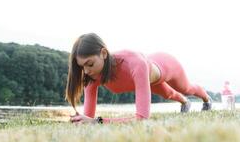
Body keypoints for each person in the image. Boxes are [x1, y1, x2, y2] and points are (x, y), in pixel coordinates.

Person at [65, 33, 212, 124]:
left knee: (186, 88)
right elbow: (88, 118)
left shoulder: (134, 64)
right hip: (145, 80)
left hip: (165, 64)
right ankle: (185, 103)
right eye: (82, 66)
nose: (86, 70)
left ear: (104, 53)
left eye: (89, 64)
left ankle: (206, 99)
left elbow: (142, 118)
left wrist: (98, 122)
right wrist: (82, 120)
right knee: (169, 94)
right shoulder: (91, 75)